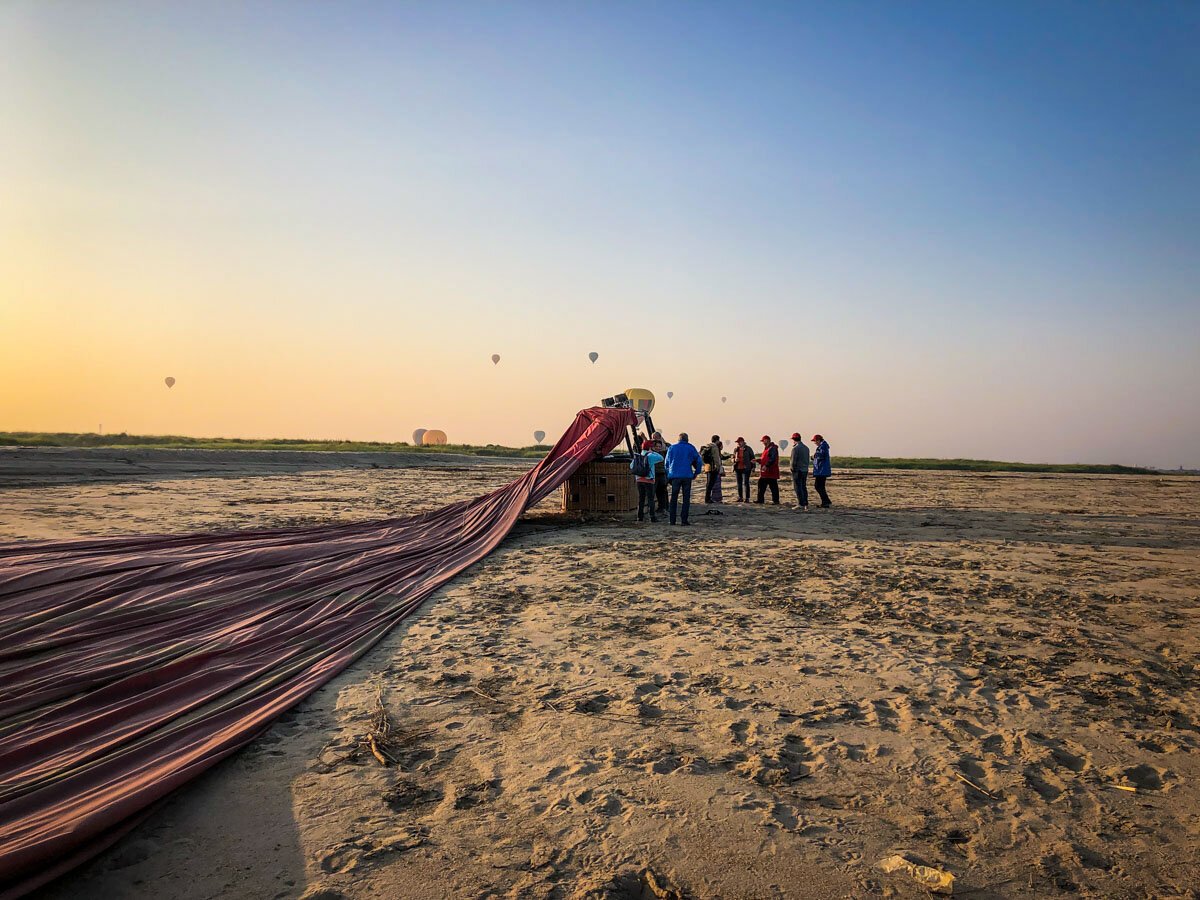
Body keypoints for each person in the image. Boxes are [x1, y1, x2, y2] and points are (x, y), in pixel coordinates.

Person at [664, 432, 703, 525]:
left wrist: (668, 474)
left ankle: (672, 520)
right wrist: (696, 472)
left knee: (673, 498)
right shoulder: (691, 448)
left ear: (678, 439)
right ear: (687, 439)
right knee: (686, 498)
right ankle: (684, 520)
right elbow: (699, 460)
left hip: (674, 476)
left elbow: (666, 463)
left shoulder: (672, 448)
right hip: (686, 475)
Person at [630, 439, 664, 522]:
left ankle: (640, 517)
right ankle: (652, 517)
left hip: (639, 479)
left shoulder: (638, 456)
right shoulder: (650, 456)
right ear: (650, 447)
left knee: (641, 498)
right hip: (649, 479)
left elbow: (631, 466)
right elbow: (661, 458)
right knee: (650, 498)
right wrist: (652, 451)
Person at [755, 434, 780, 504]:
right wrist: (757, 460)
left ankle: (775, 501)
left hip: (771, 471)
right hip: (765, 472)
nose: (763, 442)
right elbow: (764, 459)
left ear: (767, 440)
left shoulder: (772, 448)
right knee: (762, 485)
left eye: (763, 441)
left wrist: (766, 465)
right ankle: (760, 500)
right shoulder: (767, 449)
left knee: (773, 486)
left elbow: (772, 459)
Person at [651, 431, 670, 514]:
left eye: (654, 438)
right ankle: (664, 507)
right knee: (662, 491)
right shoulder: (666, 448)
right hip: (660, 472)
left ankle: (663, 507)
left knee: (660, 491)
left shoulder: (658, 451)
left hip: (659, 473)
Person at [790, 432, 810, 511]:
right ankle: (805, 503)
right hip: (805, 470)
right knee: (803, 487)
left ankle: (801, 503)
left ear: (794, 440)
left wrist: (792, 469)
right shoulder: (806, 448)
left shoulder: (795, 448)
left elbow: (793, 461)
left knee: (797, 487)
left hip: (798, 470)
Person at [732, 436, 755, 502]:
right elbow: (732, 458)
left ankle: (747, 498)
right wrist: (734, 460)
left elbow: (752, 458)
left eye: (739, 442)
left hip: (746, 468)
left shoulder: (748, 449)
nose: (738, 443)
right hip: (737, 468)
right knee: (739, 483)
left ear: (743, 442)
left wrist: (753, 467)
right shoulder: (736, 449)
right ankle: (740, 497)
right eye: (737, 442)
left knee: (746, 482)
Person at [811, 434, 832, 507]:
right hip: (821, 470)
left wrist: (815, 456)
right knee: (820, 486)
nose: (815, 443)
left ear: (818, 440)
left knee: (818, 486)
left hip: (822, 470)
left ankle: (826, 501)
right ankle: (825, 501)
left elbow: (821, 455)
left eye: (815, 441)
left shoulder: (823, 446)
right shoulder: (823, 446)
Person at [702, 434, 722, 503]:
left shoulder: (708, 446)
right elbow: (716, 458)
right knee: (710, 484)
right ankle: (708, 499)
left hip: (707, 467)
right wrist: (718, 467)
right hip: (713, 467)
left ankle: (707, 498)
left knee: (708, 483)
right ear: (717, 440)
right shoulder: (714, 447)